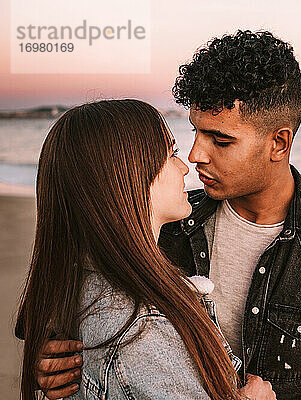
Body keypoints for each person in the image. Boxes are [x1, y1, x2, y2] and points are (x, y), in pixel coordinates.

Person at [32, 30, 301, 399]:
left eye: (221, 139)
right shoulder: (159, 223)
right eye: (195, 131)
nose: (195, 154)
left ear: (278, 143)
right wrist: (58, 362)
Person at [16, 100, 275, 400]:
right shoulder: (141, 329)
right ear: (127, 179)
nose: (187, 162)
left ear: (277, 143)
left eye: (221, 140)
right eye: (172, 154)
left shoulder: (88, 277)